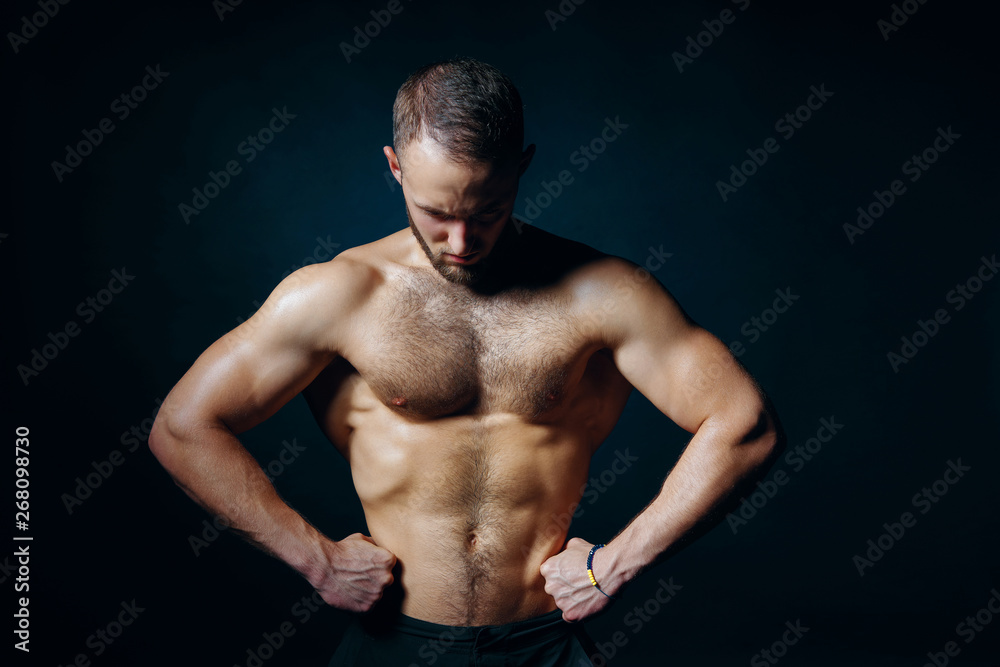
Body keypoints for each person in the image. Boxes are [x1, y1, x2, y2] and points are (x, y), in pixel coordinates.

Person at [149, 57, 783, 666]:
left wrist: (616, 564)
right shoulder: (337, 295)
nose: (461, 241)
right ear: (395, 167)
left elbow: (743, 424)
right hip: (392, 642)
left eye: (488, 211)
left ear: (522, 168)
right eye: (437, 213)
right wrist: (315, 559)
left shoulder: (605, 293)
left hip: (544, 642)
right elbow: (184, 427)